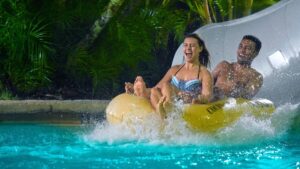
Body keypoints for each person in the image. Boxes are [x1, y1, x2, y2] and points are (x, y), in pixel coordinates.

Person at [149, 33, 213, 117]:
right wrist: (136, 91)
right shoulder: (174, 70)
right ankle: (163, 111)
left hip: (187, 103)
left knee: (166, 85)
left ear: (200, 48)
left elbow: (207, 95)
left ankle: (166, 110)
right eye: (185, 45)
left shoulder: (204, 73)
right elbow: (157, 87)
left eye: (192, 45)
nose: (188, 48)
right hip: (171, 101)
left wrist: (199, 99)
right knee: (154, 91)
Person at [212, 35, 263, 100]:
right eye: (240, 46)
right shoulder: (223, 66)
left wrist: (236, 91)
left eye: (248, 48)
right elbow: (204, 84)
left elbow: (246, 98)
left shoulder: (255, 77)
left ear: (255, 54)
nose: (242, 51)